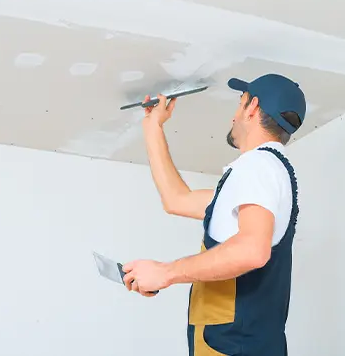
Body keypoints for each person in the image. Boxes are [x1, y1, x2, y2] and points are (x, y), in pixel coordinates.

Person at [122, 73, 306, 356]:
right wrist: (152, 126)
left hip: (235, 345)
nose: (234, 115)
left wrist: (166, 273)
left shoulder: (258, 166)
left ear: (252, 107)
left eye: (239, 102)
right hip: (233, 344)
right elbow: (177, 200)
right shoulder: (260, 176)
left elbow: (252, 251)